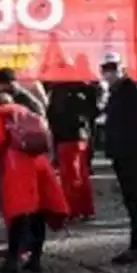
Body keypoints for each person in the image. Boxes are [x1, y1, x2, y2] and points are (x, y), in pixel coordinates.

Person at [0, 93, 70, 273]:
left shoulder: (0, 114)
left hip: (16, 164)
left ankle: (13, 258)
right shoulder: (27, 112)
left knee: (18, 211)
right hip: (39, 162)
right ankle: (36, 258)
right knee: (38, 211)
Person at [0, 69, 44, 245]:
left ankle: (15, 234)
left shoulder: (24, 99)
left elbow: (39, 116)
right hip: (5, 152)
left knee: (10, 193)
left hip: (15, 153)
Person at [101, 55, 137, 264]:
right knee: (131, 200)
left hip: (132, 155)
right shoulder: (117, 93)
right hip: (123, 154)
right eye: (105, 68)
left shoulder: (131, 93)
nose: (108, 73)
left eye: (111, 68)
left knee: (135, 200)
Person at [47, 82, 99, 221]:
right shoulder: (81, 92)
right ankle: (86, 209)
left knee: (70, 177)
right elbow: (93, 111)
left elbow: (52, 116)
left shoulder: (59, 94)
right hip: (79, 137)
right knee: (81, 174)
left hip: (66, 138)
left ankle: (74, 210)